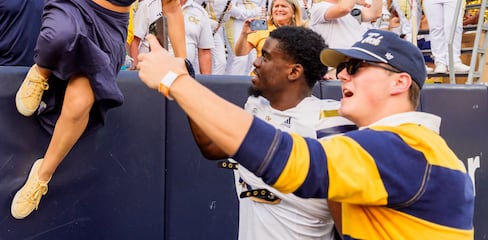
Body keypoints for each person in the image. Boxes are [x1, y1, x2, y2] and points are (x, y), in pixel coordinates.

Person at [137, 29, 474, 239]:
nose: (342, 76)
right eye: (342, 68)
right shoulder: (386, 144)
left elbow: (291, 162)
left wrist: (175, 82)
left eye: (356, 68)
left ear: (400, 82)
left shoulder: (406, 148)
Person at [10, 0, 195, 219]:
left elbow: (172, 11)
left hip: (111, 25)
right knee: (60, 34)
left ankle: (41, 175)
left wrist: (180, 62)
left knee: (80, 102)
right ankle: (41, 71)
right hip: (73, 0)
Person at [188, 26, 355, 239]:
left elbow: (346, 223)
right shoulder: (255, 106)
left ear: (294, 72)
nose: (256, 62)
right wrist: (184, 86)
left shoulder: (327, 121)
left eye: (265, 57)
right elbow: (211, 147)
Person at [130, 0, 214, 74]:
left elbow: (204, 52)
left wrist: (206, 82)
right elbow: (135, 41)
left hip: (184, 75)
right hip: (151, 73)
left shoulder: (200, 12)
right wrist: (135, 71)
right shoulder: (148, 5)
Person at [310, 0, 382, 50]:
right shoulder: (319, 8)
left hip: (358, 57)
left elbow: (375, 14)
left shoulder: (353, 9)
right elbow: (344, 9)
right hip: (336, 58)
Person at [225, 0, 267, 75]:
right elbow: (230, 9)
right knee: (239, 58)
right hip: (235, 25)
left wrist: (262, 31)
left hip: (254, 26)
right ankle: (232, 89)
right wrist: (252, 13)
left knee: (254, 59)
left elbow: (262, 13)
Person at [235, 0, 306, 59]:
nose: (279, 9)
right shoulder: (261, 25)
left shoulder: (303, 29)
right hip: (264, 71)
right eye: (276, 6)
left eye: (284, 6)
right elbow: (240, 53)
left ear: (294, 10)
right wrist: (244, 34)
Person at [194, 0, 235, 74]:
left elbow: (225, 19)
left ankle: (215, 86)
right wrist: (209, 22)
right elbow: (194, 10)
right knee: (199, 61)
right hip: (202, 29)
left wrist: (228, 12)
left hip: (216, 31)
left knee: (222, 61)